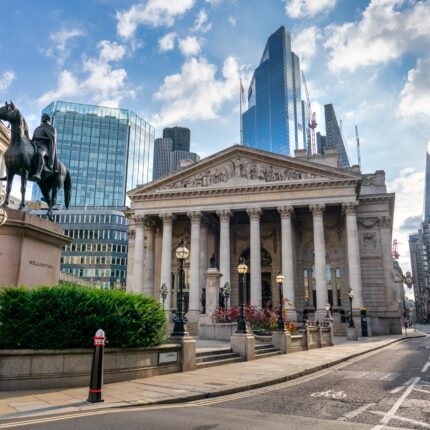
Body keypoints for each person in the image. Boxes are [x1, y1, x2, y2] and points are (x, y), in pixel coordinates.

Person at [31, 113, 57, 181]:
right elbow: (33, 138)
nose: (42, 118)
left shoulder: (51, 128)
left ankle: (38, 173)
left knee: (40, 154)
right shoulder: (38, 128)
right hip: (35, 144)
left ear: (48, 119)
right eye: (42, 116)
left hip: (44, 146)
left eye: (44, 117)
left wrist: (39, 138)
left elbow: (52, 139)